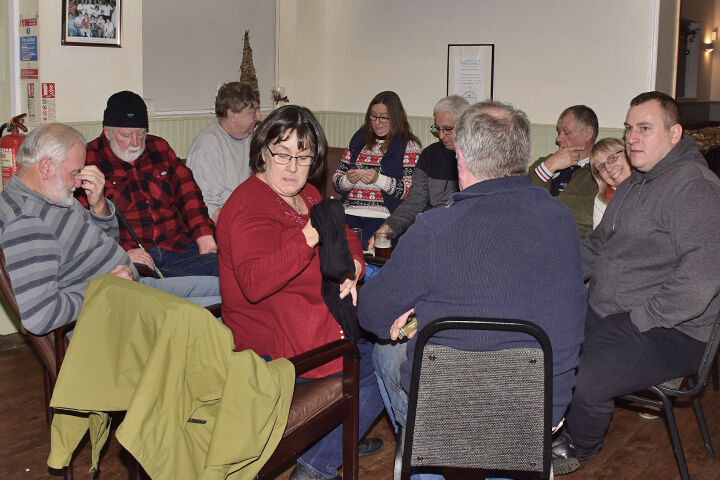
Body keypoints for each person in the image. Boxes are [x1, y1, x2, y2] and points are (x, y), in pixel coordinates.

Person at [359, 101, 587, 480]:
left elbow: (371, 314)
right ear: (527, 154)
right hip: (534, 413)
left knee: (385, 351)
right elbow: (569, 317)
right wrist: (555, 404)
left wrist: (412, 314)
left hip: (444, 417)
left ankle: (425, 465)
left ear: (460, 159)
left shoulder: (434, 228)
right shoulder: (561, 220)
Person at [551, 91, 720, 475]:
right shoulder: (635, 183)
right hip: (611, 311)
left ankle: (581, 445)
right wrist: (553, 278)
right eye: (629, 129)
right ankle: (544, 425)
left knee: (584, 377)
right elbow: (597, 246)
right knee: (546, 341)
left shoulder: (696, 188)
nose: (632, 139)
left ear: (674, 134)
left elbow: (701, 278)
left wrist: (642, 318)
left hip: (668, 328)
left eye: (645, 128)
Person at [216, 105, 385, 480]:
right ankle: (317, 464)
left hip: (315, 327)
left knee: (390, 345)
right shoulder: (247, 207)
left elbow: (343, 234)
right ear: (263, 153)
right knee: (388, 366)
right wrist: (308, 236)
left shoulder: (307, 194)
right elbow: (254, 283)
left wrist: (354, 268)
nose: (292, 168)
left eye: (303, 157)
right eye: (283, 154)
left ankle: (337, 435)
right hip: (275, 350)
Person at [0, 123, 221, 336]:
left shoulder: (50, 194)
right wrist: (105, 288)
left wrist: (98, 206)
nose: (78, 183)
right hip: (110, 314)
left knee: (226, 288)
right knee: (226, 313)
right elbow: (40, 316)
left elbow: (104, 243)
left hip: (131, 288)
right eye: (75, 172)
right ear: (47, 167)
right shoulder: (26, 222)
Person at [81, 91, 218, 278]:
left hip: (177, 248)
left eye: (141, 133)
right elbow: (82, 222)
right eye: (126, 135)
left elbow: (188, 192)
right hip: (131, 257)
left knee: (223, 275)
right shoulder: (89, 159)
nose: (135, 142)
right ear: (107, 132)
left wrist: (203, 234)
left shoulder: (159, 148)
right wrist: (117, 253)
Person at [369, 95, 469, 247]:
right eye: (438, 129)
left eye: (448, 129)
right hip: (430, 228)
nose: (441, 135)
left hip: (460, 231)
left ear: (465, 125)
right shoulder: (429, 155)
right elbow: (415, 202)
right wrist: (388, 227)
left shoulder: (478, 158)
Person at [332, 91, 422, 249]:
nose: (377, 123)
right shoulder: (358, 140)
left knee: (363, 246)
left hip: (383, 216)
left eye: (384, 117)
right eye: (373, 116)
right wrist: (348, 180)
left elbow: (410, 191)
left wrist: (377, 179)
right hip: (348, 212)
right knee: (332, 243)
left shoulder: (409, 145)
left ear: (396, 118)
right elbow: (336, 182)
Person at [186, 82, 261, 222]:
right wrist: (245, 226)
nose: (259, 118)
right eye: (252, 112)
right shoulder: (207, 147)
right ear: (232, 114)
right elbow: (207, 207)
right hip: (227, 223)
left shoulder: (255, 139)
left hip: (253, 216)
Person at [528, 105, 599, 239]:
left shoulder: (601, 171)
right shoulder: (545, 163)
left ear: (588, 134)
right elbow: (523, 196)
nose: (558, 139)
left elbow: (591, 212)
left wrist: (540, 206)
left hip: (573, 244)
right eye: (559, 132)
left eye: (566, 133)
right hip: (533, 239)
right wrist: (549, 166)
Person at [588, 137, 632, 228]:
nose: (608, 169)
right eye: (601, 167)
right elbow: (599, 236)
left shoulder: (654, 185)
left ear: (628, 153)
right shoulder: (603, 199)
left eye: (612, 158)